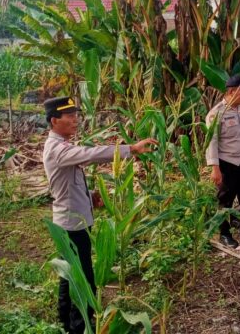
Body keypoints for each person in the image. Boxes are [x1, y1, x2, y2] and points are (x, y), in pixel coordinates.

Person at [42, 96, 157, 334]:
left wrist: (91, 195)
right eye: (69, 116)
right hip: (72, 224)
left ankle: (65, 321)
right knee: (83, 277)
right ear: (54, 121)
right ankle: (80, 325)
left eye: (76, 115)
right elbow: (91, 154)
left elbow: (69, 184)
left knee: (70, 274)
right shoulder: (57, 149)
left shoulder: (62, 147)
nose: (75, 120)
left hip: (74, 219)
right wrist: (130, 149)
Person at [206, 75, 240, 248]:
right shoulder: (216, 114)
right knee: (225, 200)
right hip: (227, 163)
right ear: (232, 91)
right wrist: (215, 168)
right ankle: (224, 234)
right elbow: (211, 141)